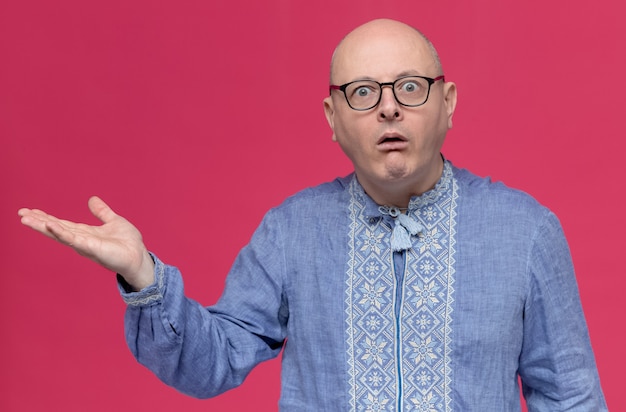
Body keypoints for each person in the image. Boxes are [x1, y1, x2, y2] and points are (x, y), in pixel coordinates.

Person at [18, 18, 607, 411]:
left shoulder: (526, 230)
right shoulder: (292, 232)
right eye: (363, 93)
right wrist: (142, 275)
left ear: (446, 102)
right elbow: (211, 363)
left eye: (409, 87)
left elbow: (573, 398)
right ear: (331, 117)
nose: (388, 110)